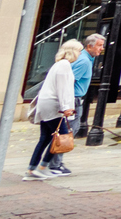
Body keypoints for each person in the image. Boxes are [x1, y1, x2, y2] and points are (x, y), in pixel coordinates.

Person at [25, 40, 81, 180]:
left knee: (45, 138)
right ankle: (43, 167)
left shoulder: (58, 64)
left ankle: (32, 170)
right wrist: (66, 107)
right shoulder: (64, 65)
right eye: (79, 51)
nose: (80, 54)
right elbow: (63, 89)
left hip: (46, 104)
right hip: (53, 106)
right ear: (73, 51)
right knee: (60, 137)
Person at [69, 33, 103, 139]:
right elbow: (70, 81)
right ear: (89, 46)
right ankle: (55, 155)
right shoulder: (84, 61)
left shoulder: (85, 58)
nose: (102, 48)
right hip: (73, 100)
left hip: (73, 99)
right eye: (99, 45)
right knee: (68, 134)